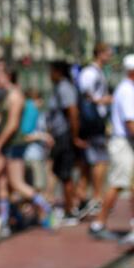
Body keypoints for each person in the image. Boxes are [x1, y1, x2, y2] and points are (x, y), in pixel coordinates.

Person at [0, 62, 51, 235]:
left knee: (17, 184)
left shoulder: (15, 96)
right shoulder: (5, 95)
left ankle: (45, 206)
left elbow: (12, 124)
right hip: (6, 144)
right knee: (1, 182)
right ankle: (4, 222)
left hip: (13, 144)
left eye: (0, 75)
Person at [92, 54, 134, 240]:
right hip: (123, 143)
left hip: (125, 142)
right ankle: (99, 223)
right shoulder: (127, 91)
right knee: (118, 183)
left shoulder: (127, 89)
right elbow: (130, 122)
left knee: (128, 184)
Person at [76, 42, 114, 212]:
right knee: (100, 159)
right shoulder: (90, 72)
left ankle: (83, 195)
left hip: (97, 120)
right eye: (108, 52)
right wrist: (102, 100)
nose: (110, 56)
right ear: (99, 53)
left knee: (89, 162)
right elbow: (85, 94)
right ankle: (96, 196)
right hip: (92, 122)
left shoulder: (99, 72)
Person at [47, 60, 84, 224]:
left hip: (65, 136)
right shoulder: (60, 87)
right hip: (61, 136)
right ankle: (69, 205)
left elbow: (73, 112)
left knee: (65, 172)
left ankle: (71, 210)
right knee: (60, 172)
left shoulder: (64, 87)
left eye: (51, 71)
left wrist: (74, 136)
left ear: (58, 72)